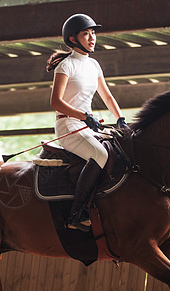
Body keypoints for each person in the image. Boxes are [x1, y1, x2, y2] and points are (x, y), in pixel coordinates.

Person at [46, 14, 127, 232]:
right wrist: (84, 116)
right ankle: (76, 213)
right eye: (86, 34)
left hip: (87, 125)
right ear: (73, 39)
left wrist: (120, 119)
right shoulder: (66, 66)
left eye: (93, 33)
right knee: (100, 155)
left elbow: (107, 96)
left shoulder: (94, 65)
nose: (92, 38)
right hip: (68, 125)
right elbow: (56, 102)